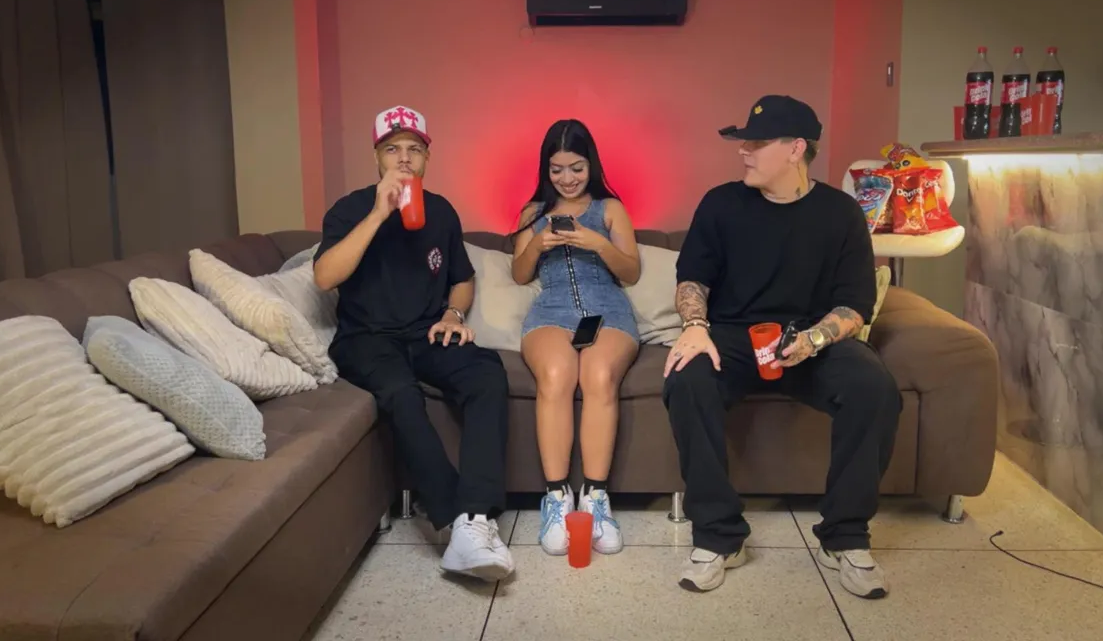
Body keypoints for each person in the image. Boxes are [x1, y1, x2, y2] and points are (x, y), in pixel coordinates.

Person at [662, 95, 900, 598]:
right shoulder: (721, 203)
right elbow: (693, 279)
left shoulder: (840, 213)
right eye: (743, 142)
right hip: (733, 336)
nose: (743, 151)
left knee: (873, 385)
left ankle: (844, 536)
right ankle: (719, 536)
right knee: (687, 377)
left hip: (810, 338)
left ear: (795, 149)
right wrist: (696, 325)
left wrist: (815, 339)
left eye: (756, 142)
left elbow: (854, 305)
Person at [313, 105, 513, 581]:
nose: (404, 158)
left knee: (486, 373)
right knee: (401, 394)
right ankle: (455, 520)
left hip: (427, 333)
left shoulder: (440, 211)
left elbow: (461, 279)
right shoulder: (349, 209)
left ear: (427, 158)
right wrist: (378, 214)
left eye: (414, 149)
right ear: (377, 157)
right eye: (392, 149)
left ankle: (475, 515)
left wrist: (452, 314)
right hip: (366, 338)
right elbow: (324, 276)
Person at [510, 119, 641, 556]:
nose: (567, 179)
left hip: (608, 309)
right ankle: (556, 497)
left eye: (577, 168)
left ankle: (596, 498)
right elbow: (519, 274)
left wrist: (596, 242)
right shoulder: (533, 213)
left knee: (599, 374)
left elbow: (631, 271)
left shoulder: (609, 209)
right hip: (551, 311)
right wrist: (538, 243)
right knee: (556, 373)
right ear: (545, 169)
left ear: (592, 165)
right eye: (557, 169)